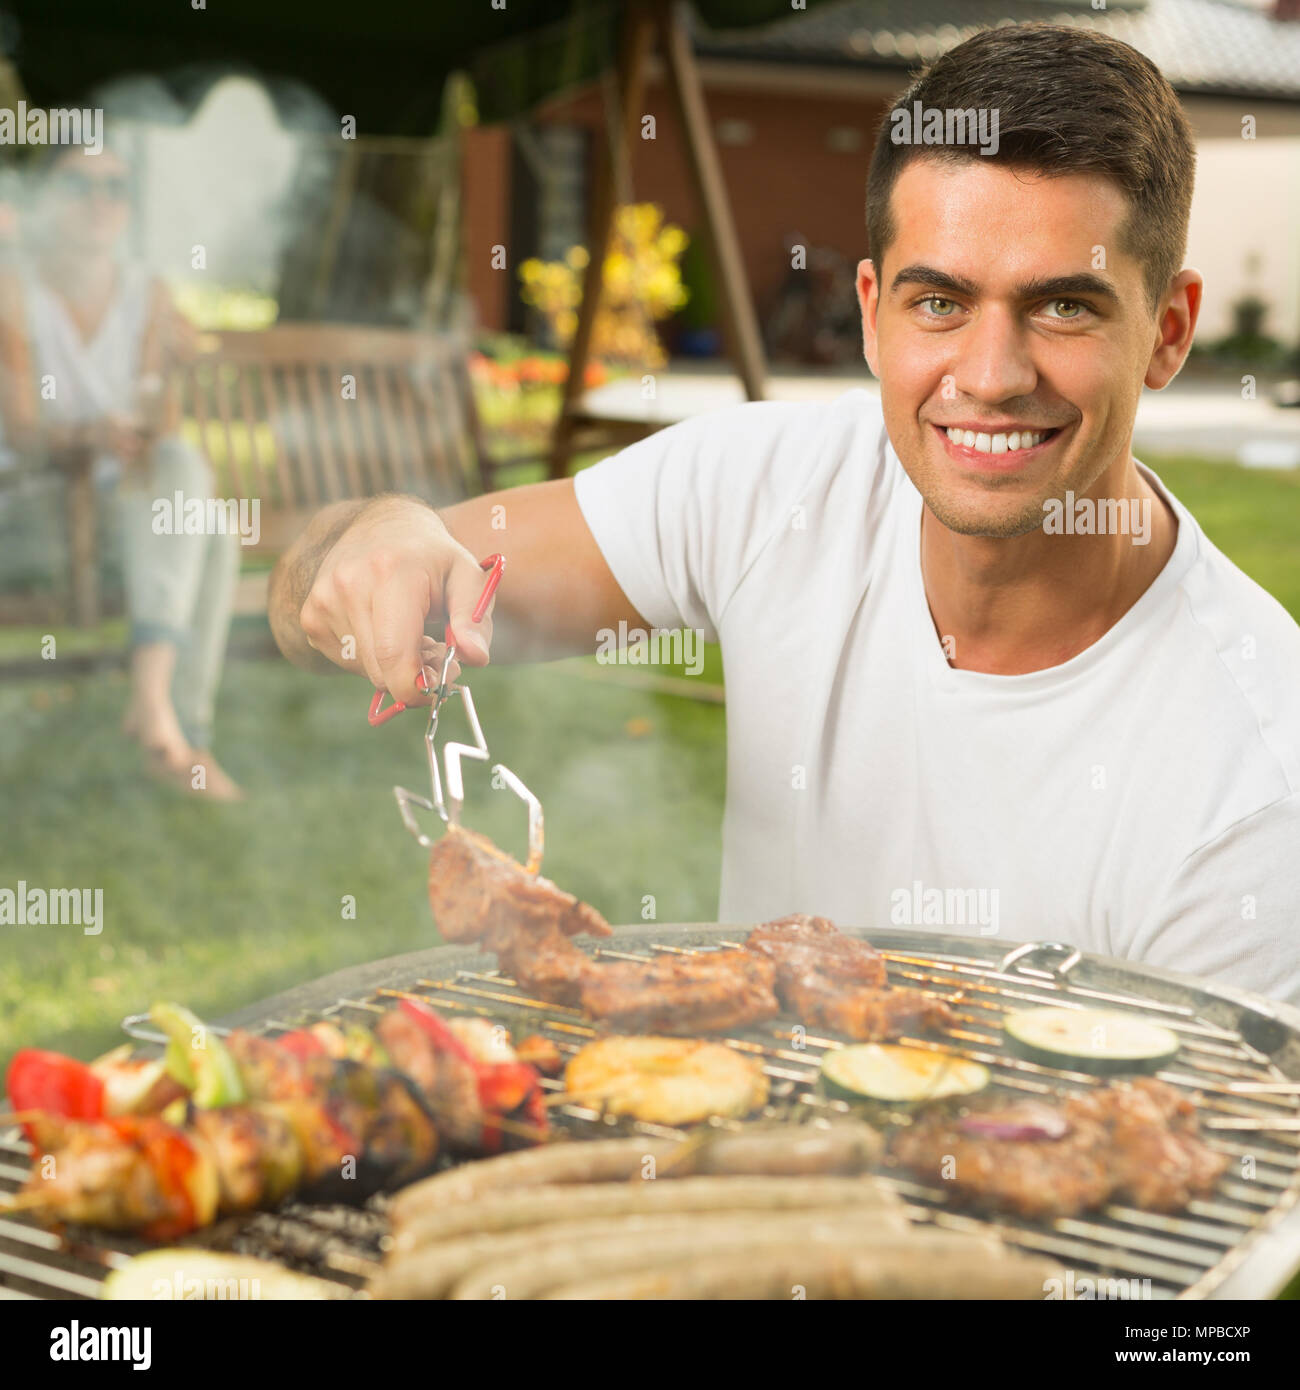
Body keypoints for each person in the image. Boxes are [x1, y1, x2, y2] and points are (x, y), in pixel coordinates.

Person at [268, 25, 1300, 1004]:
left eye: (1062, 305)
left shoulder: (1254, 787)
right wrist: (364, 542)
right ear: (869, 311)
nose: (988, 376)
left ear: (1166, 332)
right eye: (937, 302)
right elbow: (350, 584)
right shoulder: (769, 487)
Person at [0, 144, 242, 799]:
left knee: (191, 481)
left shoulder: (146, 289)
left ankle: (158, 708)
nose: (100, 201)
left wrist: (160, 385)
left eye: (115, 186)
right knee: (213, 529)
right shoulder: (12, 288)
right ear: (44, 197)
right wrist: (91, 434)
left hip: (117, 518)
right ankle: (178, 733)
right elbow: (21, 433)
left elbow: (153, 419)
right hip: (31, 512)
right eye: (79, 184)